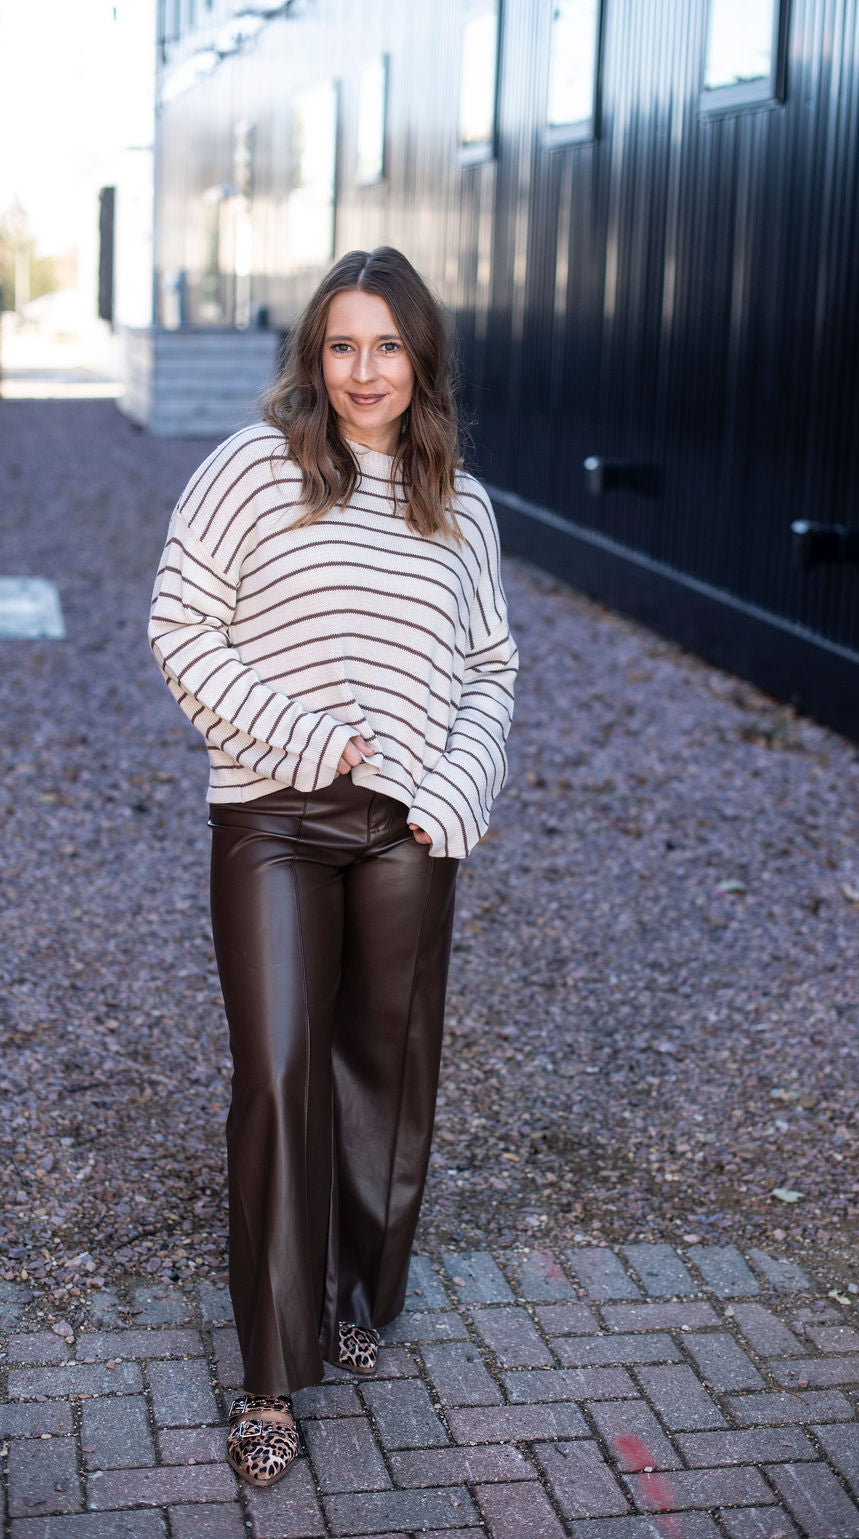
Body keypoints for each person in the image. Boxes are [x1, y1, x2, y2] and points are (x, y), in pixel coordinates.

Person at [147, 246, 518, 1487]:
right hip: (274, 818)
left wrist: (457, 790)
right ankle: (270, 1372)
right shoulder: (252, 469)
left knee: (385, 1073)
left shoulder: (458, 503)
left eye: (388, 346)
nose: (365, 371)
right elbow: (180, 628)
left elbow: (488, 670)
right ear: (315, 353)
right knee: (279, 1073)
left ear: (422, 360)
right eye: (343, 344)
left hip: (406, 831)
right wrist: (307, 738)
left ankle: (356, 1295)